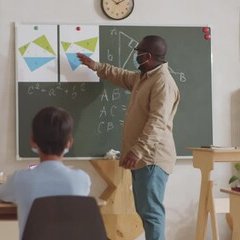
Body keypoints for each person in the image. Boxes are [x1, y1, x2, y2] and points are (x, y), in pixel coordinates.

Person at [77, 35, 180, 240]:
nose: (135, 56)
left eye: (138, 52)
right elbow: (122, 76)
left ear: (147, 56)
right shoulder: (145, 76)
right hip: (144, 157)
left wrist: (137, 150)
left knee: (151, 213)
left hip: (152, 157)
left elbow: (157, 122)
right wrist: (96, 66)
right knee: (145, 211)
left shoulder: (162, 82)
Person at [0, 106, 91, 239]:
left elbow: (1, 194)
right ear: (69, 142)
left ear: (32, 141)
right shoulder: (82, 179)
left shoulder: (20, 179)